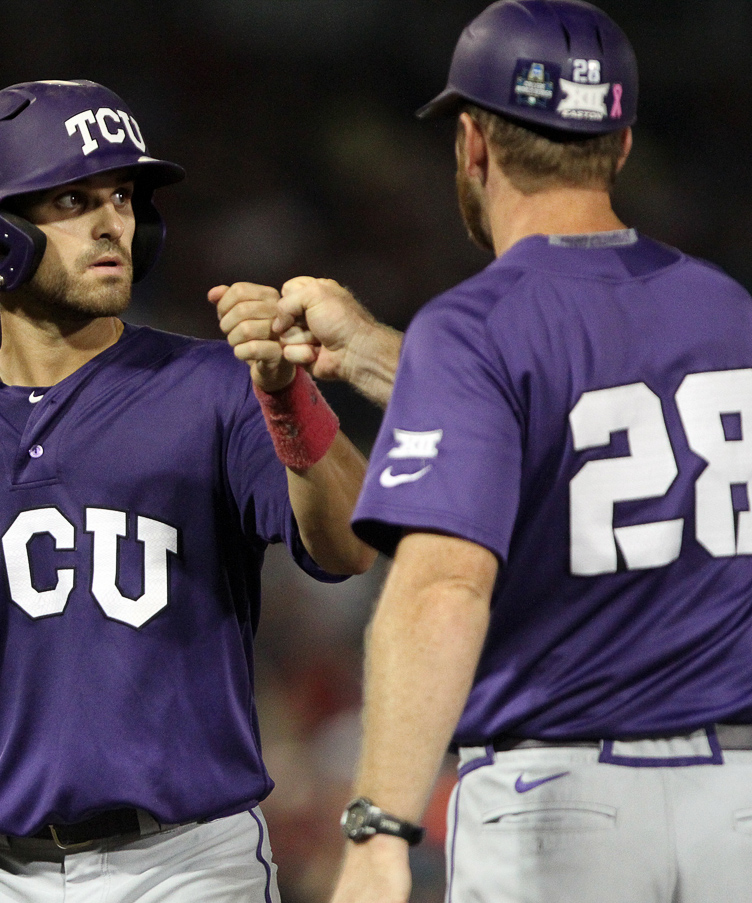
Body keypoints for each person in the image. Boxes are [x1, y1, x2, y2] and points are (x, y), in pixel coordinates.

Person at [0, 79, 376, 902]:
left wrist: (289, 399)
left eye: (122, 196)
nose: (113, 222)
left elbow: (351, 542)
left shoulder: (214, 387)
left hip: (186, 864)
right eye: (74, 200)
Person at [255, 2, 752, 901]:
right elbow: (564, 412)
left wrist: (378, 828)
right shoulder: (725, 309)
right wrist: (376, 352)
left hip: (562, 806)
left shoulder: (477, 325)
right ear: (621, 144)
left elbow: (443, 589)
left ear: (473, 143)